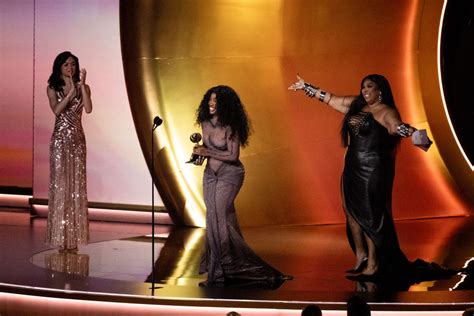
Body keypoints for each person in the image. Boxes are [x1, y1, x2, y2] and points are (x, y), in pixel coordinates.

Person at [288, 74, 422, 277]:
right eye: (363, 87)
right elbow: (330, 98)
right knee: (350, 211)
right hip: (353, 164)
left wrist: (414, 133)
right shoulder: (356, 105)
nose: (365, 90)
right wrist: (306, 86)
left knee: (370, 215)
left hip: (373, 167)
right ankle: (361, 256)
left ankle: (374, 264)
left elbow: (395, 127)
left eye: (370, 87)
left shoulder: (386, 110)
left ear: (381, 91)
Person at [193, 85, 291, 286]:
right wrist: (198, 155)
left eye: (216, 101)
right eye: (210, 99)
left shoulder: (231, 126)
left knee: (219, 218)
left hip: (231, 174)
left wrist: (207, 153)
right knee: (213, 219)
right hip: (210, 174)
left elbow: (232, 155)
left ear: (225, 105)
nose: (212, 104)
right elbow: (207, 149)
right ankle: (227, 266)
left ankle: (220, 272)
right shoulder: (205, 122)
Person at [45, 51, 92, 253]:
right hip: (60, 141)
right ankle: (61, 237)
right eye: (66, 65)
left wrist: (82, 88)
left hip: (77, 141)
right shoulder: (52, 88)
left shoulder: (84, 87)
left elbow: (89, 109)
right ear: (59, 67)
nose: (70, 68)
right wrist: (70, 94)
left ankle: (73, 239)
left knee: (76, 186)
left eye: (73, 64)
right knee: (61, 186)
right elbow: (57, 111)